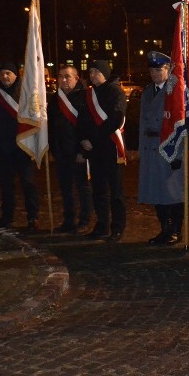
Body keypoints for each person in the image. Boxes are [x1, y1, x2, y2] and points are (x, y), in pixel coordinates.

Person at [139, 51, 185, 245]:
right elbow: (142, 121)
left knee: (171, 192)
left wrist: (178, 153)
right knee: (156, 192)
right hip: (151, 147)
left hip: (168, 147)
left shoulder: (175, 91)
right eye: (152, 70)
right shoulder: (148, 91)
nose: (155, 73)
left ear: (168, 69)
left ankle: (175, 230)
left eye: (159, 69)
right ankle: (164, 229)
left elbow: (181, 123)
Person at [78, 59, 127, 241]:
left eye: (96, 72)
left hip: (110, 147)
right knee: (98, 189)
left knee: (115, 191)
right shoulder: (88, 94)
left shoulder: (115, 92)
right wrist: (82, 139)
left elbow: (116, 118)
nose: (92, 75)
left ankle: (117, 227)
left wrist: (93, 138)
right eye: (90, 72)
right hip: (93, 149)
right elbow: (81, 119)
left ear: (104, 73)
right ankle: (102, 225)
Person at [0, 61, 40, 230]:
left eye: (8, 73)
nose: (5, 76)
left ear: (16, 74)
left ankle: (33, 217)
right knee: (5, 184)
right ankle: (7, 216)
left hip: (22, 145)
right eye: (2, 73)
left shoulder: (25, 92)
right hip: (3, 146)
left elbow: (34, 116)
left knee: (28, 183)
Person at [48, 63, 92, 233]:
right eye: (60, 76)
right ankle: (69, 220)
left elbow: (88, 126)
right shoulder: (54, 99)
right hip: (60, 151)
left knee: (83, 188)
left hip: (78, 152)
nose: (64, 80)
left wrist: (83, 152)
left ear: (76, 78)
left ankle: (85, 220)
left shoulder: (85, 97)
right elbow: (51, 125)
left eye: (67, 76)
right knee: (66, 188)